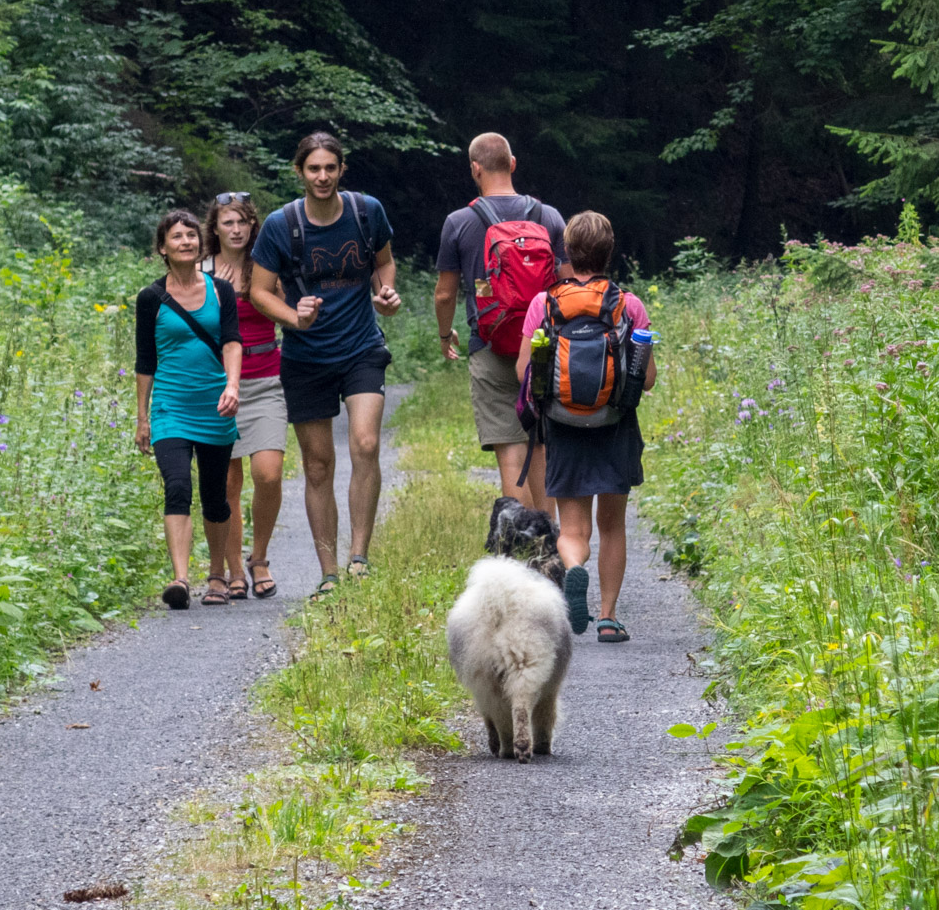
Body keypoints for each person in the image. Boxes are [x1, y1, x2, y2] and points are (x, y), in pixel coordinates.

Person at [248, 131, 401, 599]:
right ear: (300, 172)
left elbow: (385, 263)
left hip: (360, 347)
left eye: (330, 168)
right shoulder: (281, 224)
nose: (322, 176)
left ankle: (359, 558)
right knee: (317, 466)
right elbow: (258, 291)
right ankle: (329, 572)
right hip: (306, 356)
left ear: (341, 170)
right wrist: (295, 317)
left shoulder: (365, 211)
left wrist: (387, 296)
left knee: (366, 443)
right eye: (313, 169)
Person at [515, 210, 656, 643]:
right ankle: (609, 618)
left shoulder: (544, 304)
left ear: (567, 253)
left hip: (564, 426)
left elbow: (523, 369)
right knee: (612, 524)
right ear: (609, 253)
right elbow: (646, 379)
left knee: (574, 530)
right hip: (615, 426)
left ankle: (575, 569)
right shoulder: (629, 305)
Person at [434, 132, 571, 511]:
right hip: (544, 346)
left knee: (511, 451)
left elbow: (444, 293)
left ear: (474, 169)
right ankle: (551, 545)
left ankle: (526, 546)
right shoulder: (550, 217)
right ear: (512, 164)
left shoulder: (459, 222)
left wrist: (446, 335)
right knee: (540, 444)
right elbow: (569, 284)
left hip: (489, 345)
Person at [134, 209, 242, 610]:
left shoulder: (221, 291)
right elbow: (146, 361)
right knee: (177, 485)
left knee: (215, 495)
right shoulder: (150, 298)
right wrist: (142, 418)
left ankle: (216, 575)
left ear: (201, 243)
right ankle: (180, 578)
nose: (186, 242)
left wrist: (233, 385)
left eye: (192, 236)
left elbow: (232, 341)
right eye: (177, 237)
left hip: (215, 404)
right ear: (163, 248)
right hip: (170, 406)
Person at [205, 192, 286, 600]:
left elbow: (292, 313)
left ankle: (260, 556)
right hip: (216, 386)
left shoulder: (268, 267)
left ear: (253, 226)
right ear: (215, 228)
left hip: (267, 378)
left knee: (268, 473)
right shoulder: (200, 270)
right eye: (228, 223)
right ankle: (234, 568)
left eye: (243, 223)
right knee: (227, 482)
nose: (236, 230)